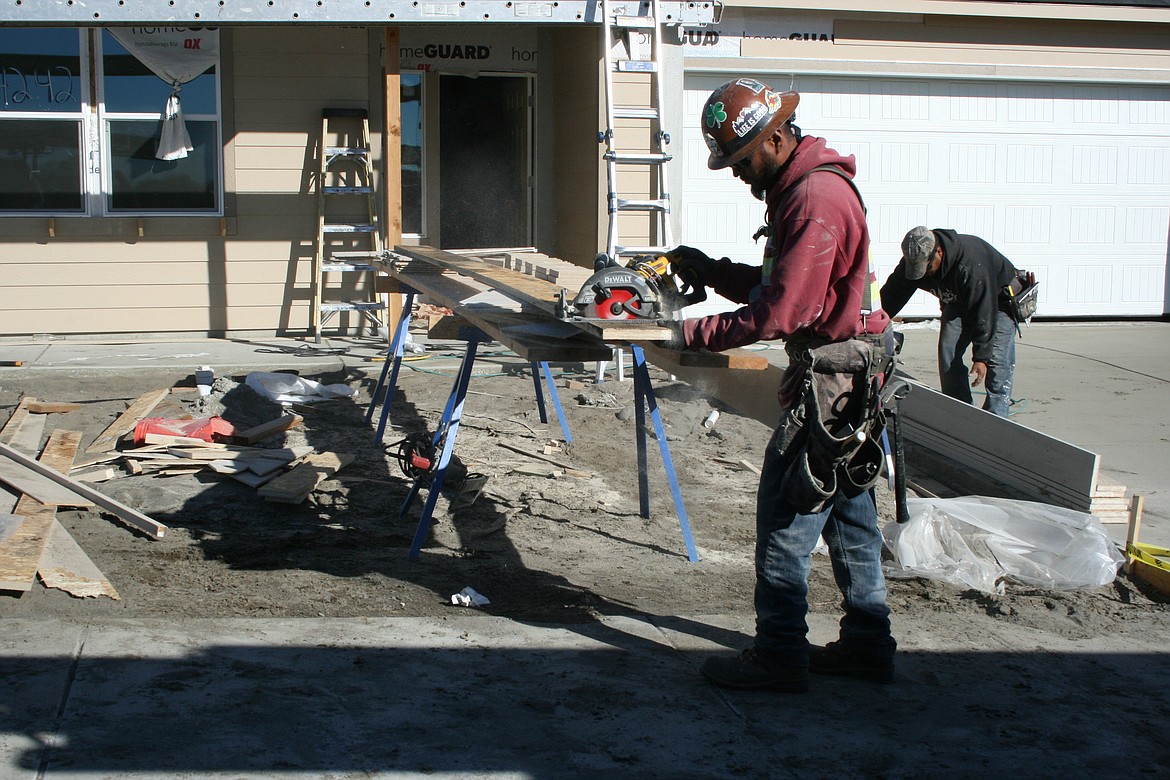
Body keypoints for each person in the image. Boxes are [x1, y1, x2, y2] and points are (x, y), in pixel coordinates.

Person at [665, 78, 897, 693]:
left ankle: (778, 657)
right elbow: (782, 286)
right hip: (852, 370)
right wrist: (712, 272)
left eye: (743, 162)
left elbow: (782, 314)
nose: (740, 176)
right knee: (849, 513)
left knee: (787, 515)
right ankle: (869, 645)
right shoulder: (801, 188)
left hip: (834, 376)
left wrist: (686, 334)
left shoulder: (813, 197)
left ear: (773, 137)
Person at [880, 226, 1020, 417]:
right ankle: (959, 412)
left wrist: (981, 357)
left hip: (997, 301)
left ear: (938, 252)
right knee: (948, 352)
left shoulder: (970, 264)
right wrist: (873, 323)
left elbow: (984, 311)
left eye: (926, 268)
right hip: (959, 301)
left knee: (996, 362)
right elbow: (891, 295)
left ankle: (997, 417)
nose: (923, 274)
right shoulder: (916, 259)